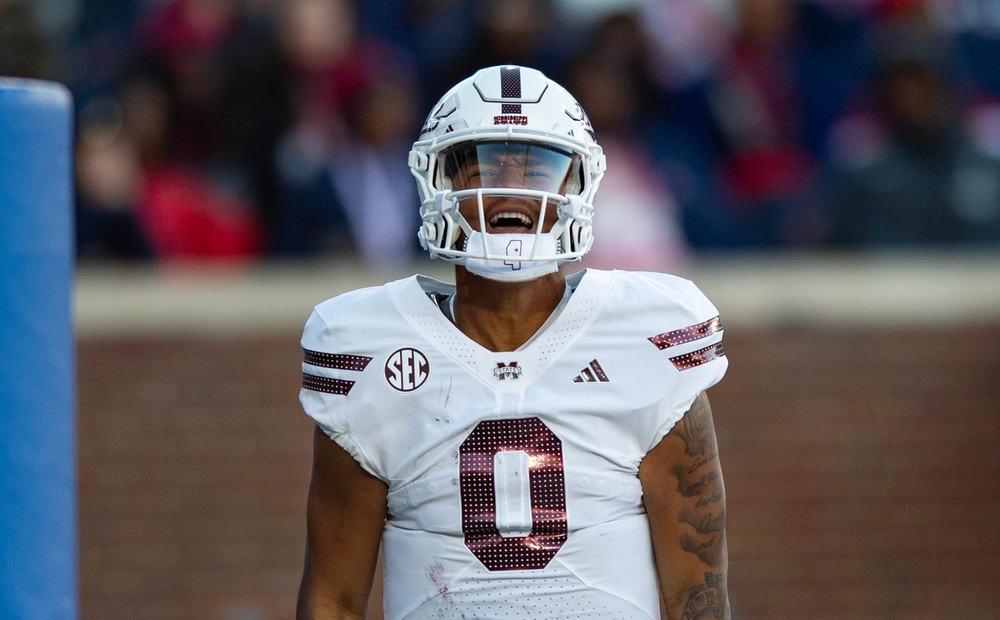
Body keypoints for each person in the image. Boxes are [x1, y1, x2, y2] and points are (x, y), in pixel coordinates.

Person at [296, 65, 731, 620]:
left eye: (536, 165)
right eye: (482, 162)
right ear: (440, 180)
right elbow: (334, 596)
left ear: (576, 184)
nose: (510, 183)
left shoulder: (644, 337)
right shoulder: (369, 348)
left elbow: (698, 595)